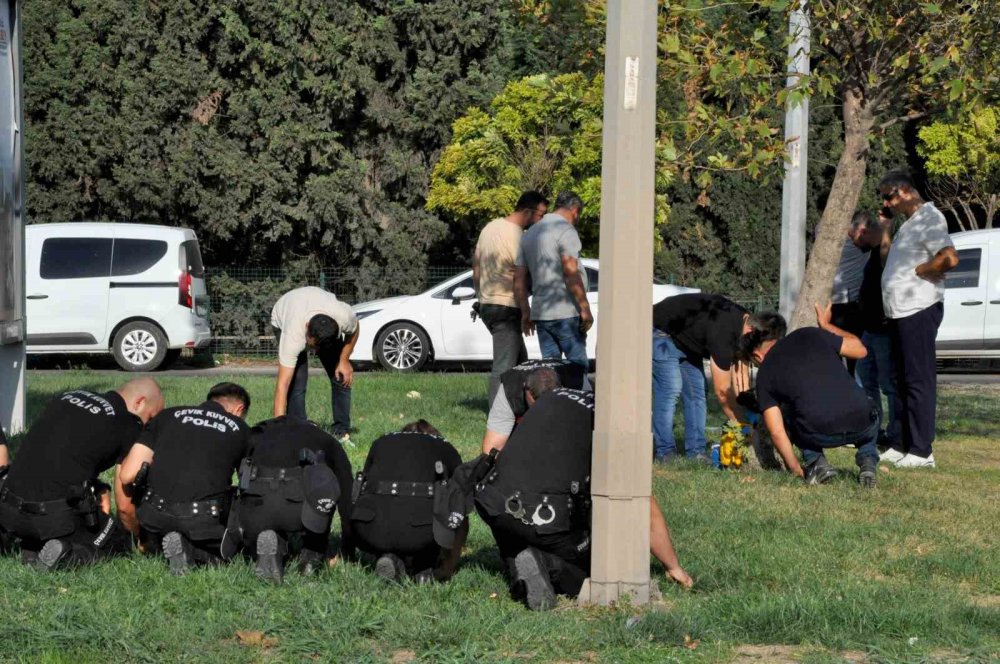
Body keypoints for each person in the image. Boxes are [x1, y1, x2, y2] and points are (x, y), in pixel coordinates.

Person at [475, 386, 692, 611]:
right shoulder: (616, 428)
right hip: (539, 513)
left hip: (491, 499)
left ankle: (518, 564)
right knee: (598, 570)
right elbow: (646, 510)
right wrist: (673, 566)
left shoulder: (555, 394)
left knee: (516, 533)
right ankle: (549, 566)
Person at [0, 379, 164, 569]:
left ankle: (30, 546)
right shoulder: (129, 423)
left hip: (6, 509)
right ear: (139, 402)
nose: (147, 426)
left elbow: (63, 455)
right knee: (115, 540)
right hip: (51, 519)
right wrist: (137, 537)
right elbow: (125, 506)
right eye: (150, 418)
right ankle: (68, 554)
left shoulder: (68, 396)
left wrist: (98, 486)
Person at [118, 383, 251, 575]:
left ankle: (158, 541)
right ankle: (196, 552)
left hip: (154, 514)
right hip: (203, 520)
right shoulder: (242, 429)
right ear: (238, 409)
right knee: (225, 552)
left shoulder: (166, 416)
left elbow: (128, 474)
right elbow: (247, 484)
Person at [741, 308, 880, 488]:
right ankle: (868, 459)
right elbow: (860, 350)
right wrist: (827, 326)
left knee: (788, 415)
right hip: (862, 424)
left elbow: (776, 431)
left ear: (757, 355)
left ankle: (817, 464)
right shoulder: (810, 333)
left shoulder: (765, 374)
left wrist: (795, 468)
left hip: (819, 433)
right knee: (868, 405)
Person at [878, 170, 959, 468]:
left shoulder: (929, 218)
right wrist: (886, 229)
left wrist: (921, 271)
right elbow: (889, 261)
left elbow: (949, 258)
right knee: (899, 380)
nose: (887, 204)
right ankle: (901, 444)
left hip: (918, 311)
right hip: (899, 312)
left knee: (918, 381)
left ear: (904, 191)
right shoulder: (909, 224)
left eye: (888, 196)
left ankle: (922, 451)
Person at [228, 415, 354, 583]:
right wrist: (348, 547)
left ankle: (271, 544)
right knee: (324, 486)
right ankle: (311, 557)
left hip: (256, 506)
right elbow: (346, 491)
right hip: (298, 508)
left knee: (266, 518)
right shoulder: (324, 438)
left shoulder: (257, 437)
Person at [350, 420, 466, 583]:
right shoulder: (445, 447)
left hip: (369, 529)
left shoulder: (380, 443)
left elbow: (362, 489)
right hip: (422, 532)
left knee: (396, 519)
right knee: (442, 510)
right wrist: (450, 564)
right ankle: (425, 567)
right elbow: (461, 504)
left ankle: (390, 557)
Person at [651, 293, 752, 460]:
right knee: (671, 390)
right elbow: (722, 391)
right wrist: (742, 423)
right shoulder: (724, 332)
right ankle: (665, 451)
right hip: (663, 331)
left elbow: (740, 374)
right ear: (750, 330)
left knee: (697, 393)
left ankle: (696, 451)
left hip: (688, 340)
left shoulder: (744, 322)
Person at [473, 191, 549, 404]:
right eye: (541, 215)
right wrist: (526, 312)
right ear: (527, 212)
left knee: (520, 362)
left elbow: (476, 265)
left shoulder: (490, 228)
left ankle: (523, 410)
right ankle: (496, 420)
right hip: (506, 307)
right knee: (504, 367)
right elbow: (519, 279)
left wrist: (480, 295)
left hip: (488, 304)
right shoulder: (518, 238)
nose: (541, 220)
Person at [270, 286, 360, 442]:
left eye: (317, 348)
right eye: (312, 346)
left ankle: (341, 429)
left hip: (320, 311)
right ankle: (297, 428)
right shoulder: (293, 335)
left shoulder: (343, 317)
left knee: (341, 375)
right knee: (297, 380)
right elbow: (282, 385)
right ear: (307, 329)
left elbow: (355, 329)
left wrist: (344, 360)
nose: (314, 351)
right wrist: (279, 430)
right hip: (283, 312)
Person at [514, 191, 591, 368]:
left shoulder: (529, 234)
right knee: (577, 369)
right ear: (575, 210)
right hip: (566, 312)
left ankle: (551, 396)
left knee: (550, 371)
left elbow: (518, 279)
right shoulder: (566, 230)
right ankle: (578, 396)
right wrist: (585, 308)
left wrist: (526, 313)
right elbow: (570, 272)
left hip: (541, 313)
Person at [851, 210, 901, 448]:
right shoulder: (869, 253)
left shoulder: (886, 248)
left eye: (854, 236)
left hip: (883, 329)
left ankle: (896, 433)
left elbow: (887, 258)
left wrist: (886, 229)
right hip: (868, 329)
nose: (853, 242)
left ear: (863, 231)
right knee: (865, 381)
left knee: (889, 384)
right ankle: (872, 428)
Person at [482, 359, 591, 454]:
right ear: (525, 388)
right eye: (538, 405)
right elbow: (491, 450)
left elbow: (590, 436)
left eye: (549, 404)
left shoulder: (578, 383)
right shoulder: (509, 389)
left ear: (562, 388)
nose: (543, 411)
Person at [831, 228, 869, 376]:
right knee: (855, 356)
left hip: (835, 302)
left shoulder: (822, 228)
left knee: (835, 353)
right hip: (850, 302)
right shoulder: (859, 236)